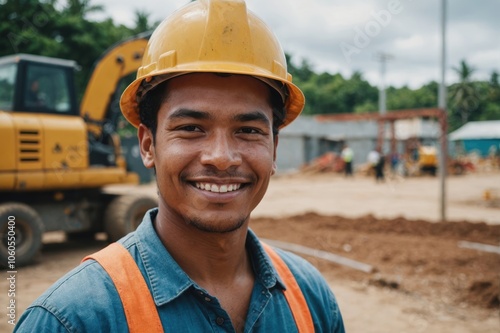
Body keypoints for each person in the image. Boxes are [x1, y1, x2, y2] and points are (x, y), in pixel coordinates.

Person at [15, 1, 345, 332]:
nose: (221, 157)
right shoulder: (71, 320)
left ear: (274, 149)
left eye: (248, 130)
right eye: (191, 128)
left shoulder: (311, 300)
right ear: (148, 145)